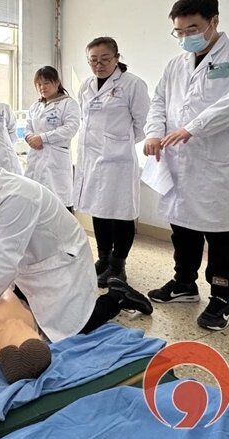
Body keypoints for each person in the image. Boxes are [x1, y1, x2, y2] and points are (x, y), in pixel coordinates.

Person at [0, 153, 153, 344]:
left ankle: (117, 297)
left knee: (68, 328)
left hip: (60, 258)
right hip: (29, 260)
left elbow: (6, 252)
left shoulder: (15, 196)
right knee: (22, 308)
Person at [143, 0, 229, 331]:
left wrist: (193, 127)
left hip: (218, 162)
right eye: (179, 32)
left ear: (214, 21)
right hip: (179, 161)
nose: (185, 37)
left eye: (192, 29)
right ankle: (184, 284)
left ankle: (223, 298)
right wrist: (153, 132)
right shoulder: (175, 65)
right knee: (182, 227)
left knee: (222, 231)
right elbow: (159, 101)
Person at [73, 37, 150, 287]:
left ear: (117, 58)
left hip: (118, 161)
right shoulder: (86, 86)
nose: (99, 65)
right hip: (91, 158)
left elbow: (143, 125)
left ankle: (118, 265)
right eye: (93, 60)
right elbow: (86, 121)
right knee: (99, 210)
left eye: (105, 59)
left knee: (121, 213)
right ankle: (103, 259)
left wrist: (116, 143)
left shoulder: (132, 84)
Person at [24, 66, 80, 211]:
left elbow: (70, 128)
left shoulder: (68, 103)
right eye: (39, 84)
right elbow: (27, 127)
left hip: (56, 159)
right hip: (36, 157)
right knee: (35, 202)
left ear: (57, 82)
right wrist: (29, 137)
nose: (42, 87)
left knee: (59, 204)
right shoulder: (35, 106)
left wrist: (43, 138)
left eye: (46, 83)